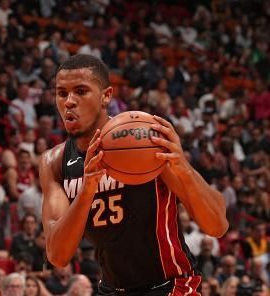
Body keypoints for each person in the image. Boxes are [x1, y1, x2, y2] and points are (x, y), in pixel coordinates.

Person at [39, 54, 229, 295]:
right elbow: (57, 255)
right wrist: (87, 190)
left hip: (170, 284)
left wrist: (183, 168)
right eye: (62, 93)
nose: (69, 101)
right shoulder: (54, 162)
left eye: (81, 91)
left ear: (106, 96)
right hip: (111, 288)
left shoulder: (145, 142)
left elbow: (217, 226)